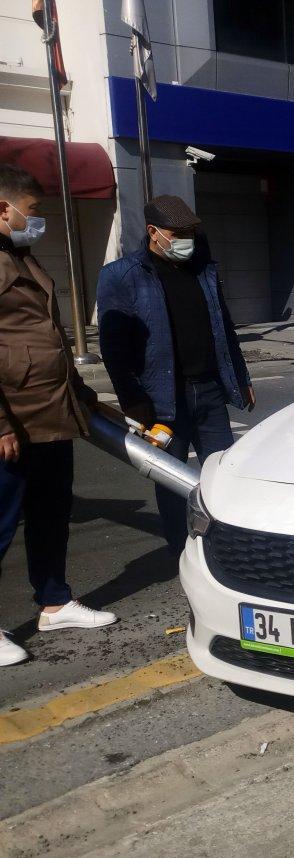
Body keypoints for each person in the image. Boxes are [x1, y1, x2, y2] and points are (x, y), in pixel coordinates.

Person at [0, 164, 114, 665]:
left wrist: (82, 395)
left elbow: (48, 343)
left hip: (50, 412)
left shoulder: (19, 257)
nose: (37, 220)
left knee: (51, 514)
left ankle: (54, 602)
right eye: (32, 211)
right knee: (1, 523)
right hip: (13, 420)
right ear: (3, 208)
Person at [98, 195, 255, 557]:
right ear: (153, 232)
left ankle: (227, 544)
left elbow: (224, 328)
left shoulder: (203, 270)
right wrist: (133, 399)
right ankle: (180, 549)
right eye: (178, 233)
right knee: (171, 479)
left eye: (191, 233)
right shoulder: (122, 275)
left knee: (223, 470)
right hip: (163, 398)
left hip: (209, 391)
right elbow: (114, 347)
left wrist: (241, 377)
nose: (187, 240)